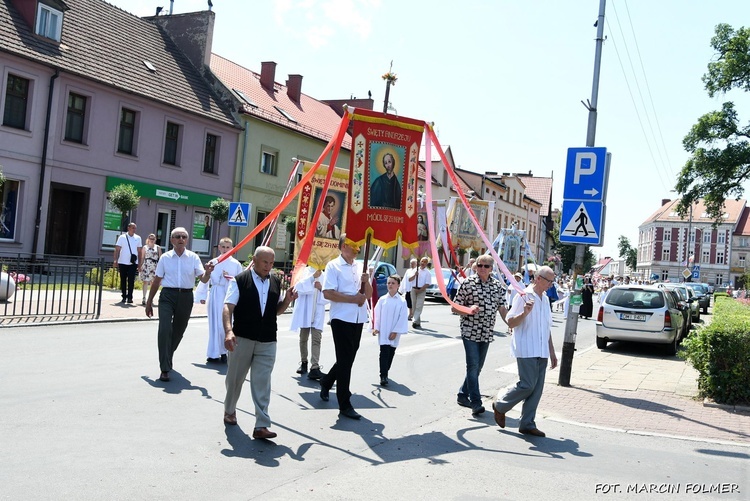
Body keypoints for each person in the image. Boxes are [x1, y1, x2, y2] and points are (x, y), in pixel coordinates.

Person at [222, 246, 297, 439]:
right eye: (265, 262)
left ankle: (261, 425)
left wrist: (287, 300)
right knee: (235, 379)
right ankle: (229, 410)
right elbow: (228, 307)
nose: (269, 266)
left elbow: (276, 310)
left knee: (262, 382)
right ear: (254, 260)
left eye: (272, 263)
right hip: (243, 338)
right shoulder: (240, 280)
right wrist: (229, 331)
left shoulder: (274, 281)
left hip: (267, 339)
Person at [492, 265, 558, 437]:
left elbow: (546, 328)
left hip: (542, 349)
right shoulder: (523, 296)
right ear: (538, 279)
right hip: (527, 348)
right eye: (549, 281)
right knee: (527, 385)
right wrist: (525, 313)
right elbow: (511, 322)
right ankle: (501, 405)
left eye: (553, 281)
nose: (551, 284)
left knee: (536, 389)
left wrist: (552, 352)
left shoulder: (545, 299)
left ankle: (527, 423)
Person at [145, 227, 213, 382]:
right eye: (177, 236)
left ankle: (167, 356)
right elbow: (156, 281)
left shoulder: (193, 257)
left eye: (183, 236)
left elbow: (202, 278)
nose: (181, 239)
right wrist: (149, 302)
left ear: (187, 240)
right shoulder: (165, 258)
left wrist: (208, 272)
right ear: (172, 240)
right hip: (167, 295)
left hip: (186, 296)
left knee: (178, 331)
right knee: (164, 329)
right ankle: (164, 368)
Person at [319, 234, 373, 420]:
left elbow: (369, 294)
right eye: (352, 245)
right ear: (343, 247)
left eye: (358, 245)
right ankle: (344, 402)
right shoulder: (334, 266)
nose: (357, 248)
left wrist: (367, 280)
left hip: (358, 318)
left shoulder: (360, 267)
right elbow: (328, 293)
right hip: (341, 317)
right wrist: (353, 299)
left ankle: (326, 381)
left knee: (348, 358)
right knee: (344, 359)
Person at [452, 254, 508, 416]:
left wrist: (511, 323)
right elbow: (455, 307)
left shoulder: (497, 286)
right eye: (480, 265)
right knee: (473, 365)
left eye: (486, 266)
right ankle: (476, 402)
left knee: (478, 367)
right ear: (475, 266)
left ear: (491, 269)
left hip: (487, 332)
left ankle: (463, 394)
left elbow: (502, 308)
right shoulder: (467, 283)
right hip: (470, 330)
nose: (482, 268)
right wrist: (468, 309)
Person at [199, 237, 243, 364]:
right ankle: (213, 353)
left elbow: (240, 281)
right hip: (215, 294)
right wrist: (202, 296)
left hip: (228, 294)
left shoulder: (235, 264)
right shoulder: (213, 262)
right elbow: (205, 278)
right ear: (219, 247)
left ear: (232, 249)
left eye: (228, 247)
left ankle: (225, 351)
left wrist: (229, 278)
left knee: (223, 324)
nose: (225, 249)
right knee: (214, 324)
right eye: (223, 247)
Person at [290, 265, 328, 380]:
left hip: (317, 311)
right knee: (303, 338)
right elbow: (298, 287)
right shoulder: (304, 271)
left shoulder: (324, 274)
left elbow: (329, 293)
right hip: (306, 311)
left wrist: (321, 288)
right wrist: (312, 278)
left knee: (316, 339)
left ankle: (315, 367)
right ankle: (304, 362)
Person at [372, 274, 409, 386]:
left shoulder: (402, 301)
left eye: (393, 283)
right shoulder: (382, 300)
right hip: (384, 330)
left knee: (391, 352)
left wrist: (396, 331)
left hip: (394, 331)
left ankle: (385, 371)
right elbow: (376, 315)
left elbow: (403, 317)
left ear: (398, 285)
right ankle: (383, 375)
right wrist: (376, 327)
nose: (390, 285)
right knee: (384, 352)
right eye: (388, 283)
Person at [114, 222, 142, 304]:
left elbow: (139, 251)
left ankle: (130, 297)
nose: (134, 230)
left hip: (133, 263)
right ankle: (123, 296)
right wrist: (115, 260)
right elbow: (117, 249)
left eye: (135, 228)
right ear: (128, 228)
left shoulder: (138, 238)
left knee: (131, 280)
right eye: (133, 228)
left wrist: (139, 263)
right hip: (122, 261)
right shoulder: (122, 237)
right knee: (123, 279)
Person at [138, 233, 161, 305]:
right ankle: (144, 297)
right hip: (146, 265)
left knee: (153, 283)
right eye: (150, 238)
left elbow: (161, 258)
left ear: (155, 239)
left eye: (153, 239)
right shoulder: (145, 247)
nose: (152, 240)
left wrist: (161, 268)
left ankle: (151, 298)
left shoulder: (158, 247)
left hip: (154, 266)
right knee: (145, 282)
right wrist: (140, 266)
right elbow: (142, 257)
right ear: (148, 239)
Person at [409, 257, 431, 328]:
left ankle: (414, 320)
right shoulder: (415, 270)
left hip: (421, 290)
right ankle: (417, 322)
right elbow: (409, 279)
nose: (423, 263)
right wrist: (414, 275)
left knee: (419, 306)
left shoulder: (427, 272)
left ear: (426, 264)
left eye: (425, 262)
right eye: (422, 261)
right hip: (413, 289)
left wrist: (420, 290)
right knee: (414, 306)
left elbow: (427, 283)